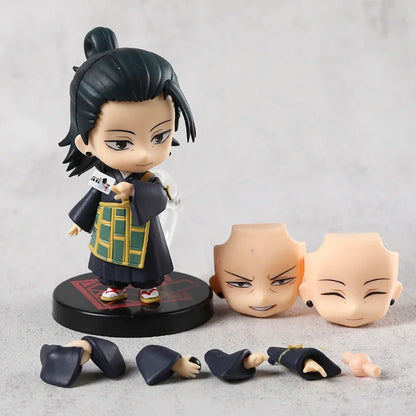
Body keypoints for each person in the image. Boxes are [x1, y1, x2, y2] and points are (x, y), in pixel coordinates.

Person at [59, 27, 196, 303]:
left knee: (147, 261)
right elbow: (92, 198)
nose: (144, 154)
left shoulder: (148, 180)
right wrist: (79, 222)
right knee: (110, 262)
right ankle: (115, 286)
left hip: (142, 232)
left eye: (159, 136)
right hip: (110, 229)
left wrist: (135, 191)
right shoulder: (104, 177)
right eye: (121, 143)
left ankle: (148, 287)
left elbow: (159, 198)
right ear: (85, 144)